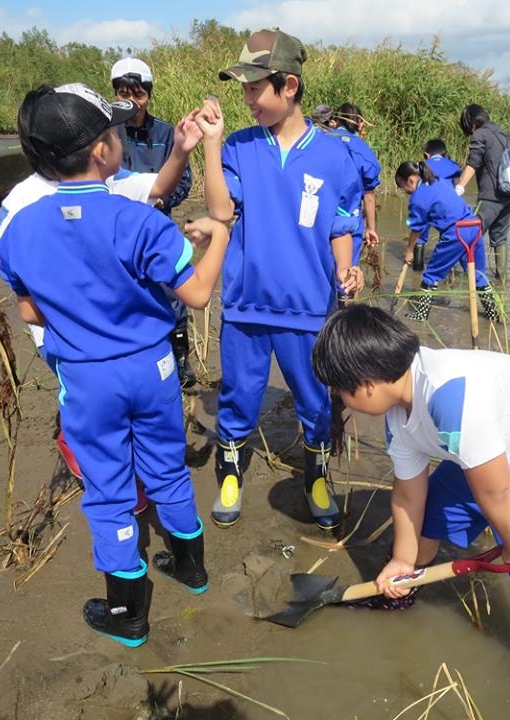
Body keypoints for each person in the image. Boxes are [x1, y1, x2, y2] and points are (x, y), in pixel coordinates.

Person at [0, 83, 230, 647]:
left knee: (108, 487)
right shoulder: (138, 220)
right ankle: (191, 568)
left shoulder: (19, 230)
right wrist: (218, 234)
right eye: (114, 134)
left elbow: (30, 308)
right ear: (103, 151)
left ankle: (127, 612)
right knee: (167, 466)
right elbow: (197, 293)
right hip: (151, 368)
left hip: (84, 374)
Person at [311, 304, 510, 720]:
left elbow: (497, 490)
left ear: (365, 384)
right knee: (429, 515)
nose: (342, 401)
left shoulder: (450, 396)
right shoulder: (398, 410)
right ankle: (404, 590)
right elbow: (407, 494)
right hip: (491, 462)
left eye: (341, 392)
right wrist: (402, 559)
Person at [0, 87, 199, 513]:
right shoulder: (25, 200)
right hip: (67, 337)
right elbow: (11, 266)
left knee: (115, 406)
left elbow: (159, 186)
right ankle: (111, 475)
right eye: (114, 132)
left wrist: (179, 148)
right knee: (96, 407)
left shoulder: (109, 180)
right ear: (96, 149)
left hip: (109, 335)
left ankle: (120, 483)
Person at [197, 28, 364, 530]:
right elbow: (221, 209)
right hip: (248, 304)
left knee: (314, 398)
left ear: (289, 85)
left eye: (255, 88)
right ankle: (230, 471)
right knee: (239, 395)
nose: (247, 99)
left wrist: (346, 269)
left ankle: (315, 473)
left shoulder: (336, 154)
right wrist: (212, 143)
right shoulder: (242, 147)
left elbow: (340, 222)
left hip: (311, 307)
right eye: (244, 89)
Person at [111, 57, 197, 388]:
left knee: (171, 291)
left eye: (139, 95)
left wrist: (163, 198)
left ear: (149, 94)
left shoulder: (166, 133)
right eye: (124, 94)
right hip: (116, 230)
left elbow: (183, 179)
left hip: (156, 225)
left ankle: (181, 358)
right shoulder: (107, 133)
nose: (132, 102)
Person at [395, 160, 499, 323]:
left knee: (431, 275)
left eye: (402, 187)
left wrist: (409, 251)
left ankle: (421, 315)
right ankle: (494, 316)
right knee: (478, 275)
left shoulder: (418, 197)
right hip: (474, 226)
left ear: (410, 180)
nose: (404, 191)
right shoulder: (439, 181)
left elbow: (416, 228)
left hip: (456, 232)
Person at [456, 104, 510, 282]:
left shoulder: (480, 134)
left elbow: (473, 163)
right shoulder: (502, 133)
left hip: (490, 197)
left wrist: (459, 187)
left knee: (469, 234)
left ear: (470, 122)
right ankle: (502, 283)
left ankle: (471, 279)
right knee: (500, 238)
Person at [327, 102, 382, 263]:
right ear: (360, 123)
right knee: (346, 274)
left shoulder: (320, 140)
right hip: (348, 220)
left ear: (335, 121)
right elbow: (369, 195)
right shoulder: (362, 150)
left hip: (318, 217)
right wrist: (371, 228)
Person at [412, 138, 462, 272]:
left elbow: (417, 188)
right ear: (444, 154)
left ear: (426, 155)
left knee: (421, 236)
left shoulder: (422, 165)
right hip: (447, 208)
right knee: (447, 236)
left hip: (427, 206)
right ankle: (448, 273)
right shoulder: (453, 165)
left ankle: (417, 271)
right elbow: (458, 188)